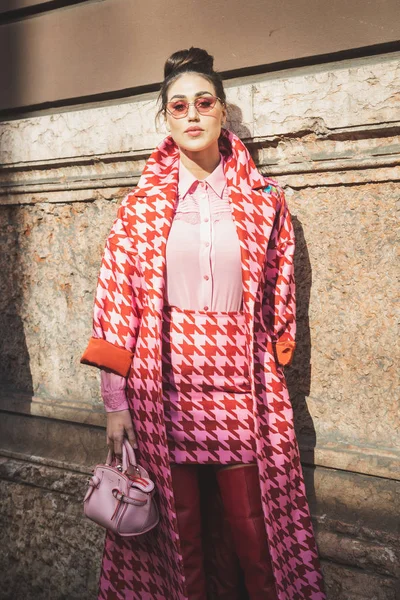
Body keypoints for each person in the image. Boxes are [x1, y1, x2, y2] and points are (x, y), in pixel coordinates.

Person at [81, 47, 326, 600]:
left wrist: (276, 354)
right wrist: (115, 404)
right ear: (166, 120)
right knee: (179, 535)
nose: (192, 115)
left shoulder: (265, 203)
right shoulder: (139, 207)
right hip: (163, 385)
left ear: (221, 112)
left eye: (203, 103)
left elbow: (278, 288)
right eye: (178, 106)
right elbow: (117, 301)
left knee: (254, 531)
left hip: (242, 381)